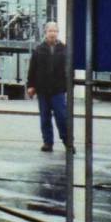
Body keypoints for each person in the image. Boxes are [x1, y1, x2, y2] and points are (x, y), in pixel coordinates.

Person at [27, 21, 71, 152]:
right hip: (42, 89)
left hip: (58, 89)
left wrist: (69, 85)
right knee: (45, 116)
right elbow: (32, 69)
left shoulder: (64, 49)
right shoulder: (38, 49)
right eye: (50, 31)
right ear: (45, 33)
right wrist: (30, 85)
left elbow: (69, 69)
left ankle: (67, 141)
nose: (53, 33)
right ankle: (48, 142)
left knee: (61, 116)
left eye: (55, 31)